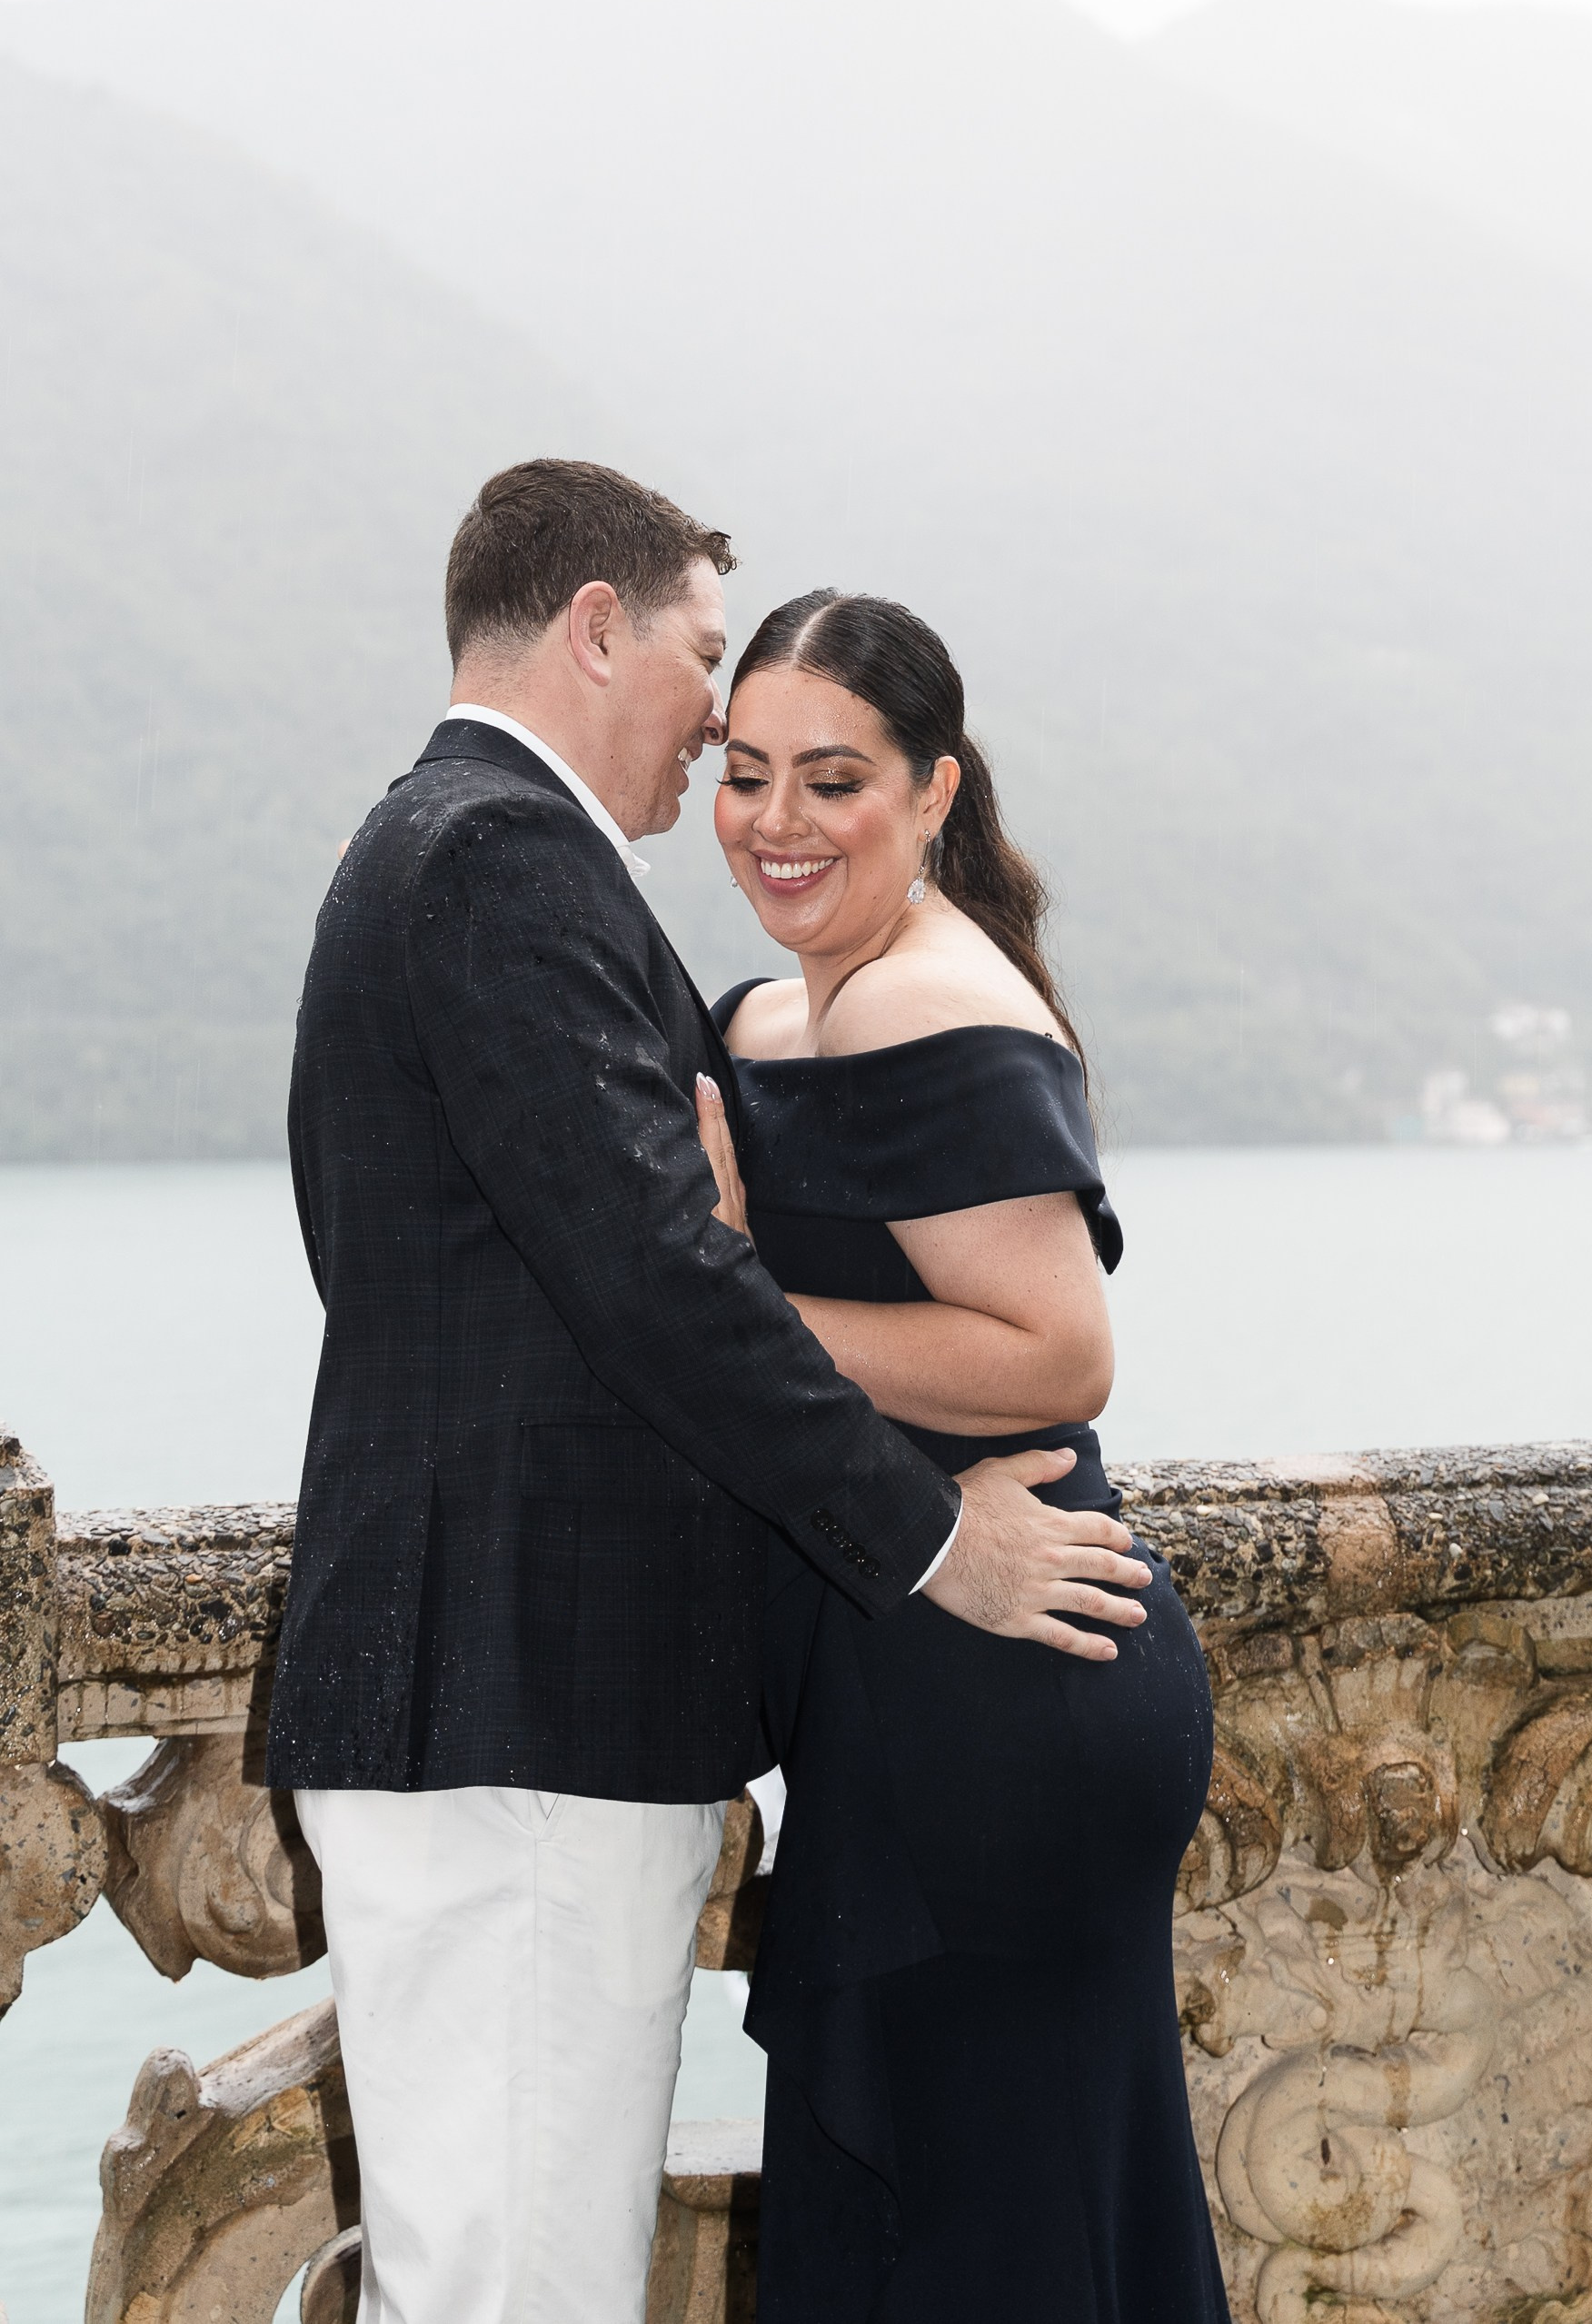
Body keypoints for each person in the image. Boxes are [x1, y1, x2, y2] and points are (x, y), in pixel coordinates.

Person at [269, 461, 1151, 2324]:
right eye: (698, 658)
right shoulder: (499, 858)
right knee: (521, 2287)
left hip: (509, 1701)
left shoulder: (442, 845)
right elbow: (661, 1282)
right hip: (516, 1706)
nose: (710, 727)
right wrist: (940, 1542)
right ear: (598, 628)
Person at [699, 586, 1230, 2323]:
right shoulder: (776, 1013)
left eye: (834, 779)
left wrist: (732, 1302)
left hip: (1008, 1687)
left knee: (992, 2250)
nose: (778, 821)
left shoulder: (923, 1002)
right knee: (970, 2238)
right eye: (746, 773)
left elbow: (1058, 1352)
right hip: (924, 1685)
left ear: (933, 790)